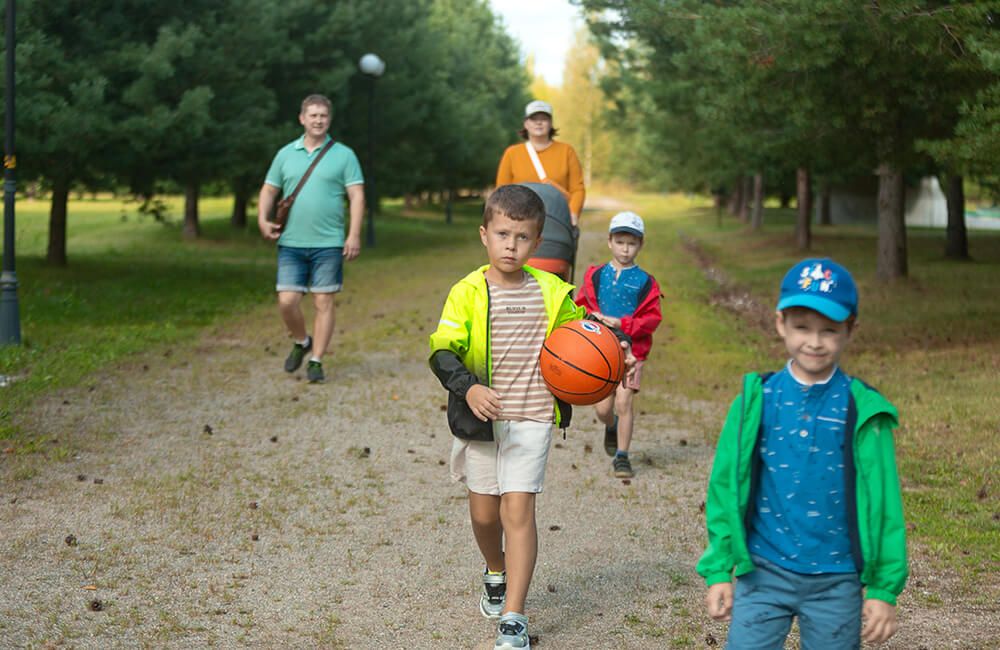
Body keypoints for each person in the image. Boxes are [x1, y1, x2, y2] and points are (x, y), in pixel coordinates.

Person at [428, 185, 632, 650]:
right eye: (502, 234)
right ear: (484, 234)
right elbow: (441, 350)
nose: (510, 246)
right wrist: (469, 388)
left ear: (537, 244)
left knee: (517, 510)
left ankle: (514, 616)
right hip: (481, 419)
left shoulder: (554, 292)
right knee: (484, 514)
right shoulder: (467, 292)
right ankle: (495, 570)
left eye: (522, 238)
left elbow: (586, 340)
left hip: (533, 418)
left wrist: (619, 355)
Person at [697, 259, 907, 649]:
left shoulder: (864, 410)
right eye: (802, 328)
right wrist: (719, 570)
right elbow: (724, 488)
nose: (814, 341)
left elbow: (885, 505)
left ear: (850, 330)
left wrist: (882, 588)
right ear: (780, 324)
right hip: (763, 571)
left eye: (829, 330)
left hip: (837, 580)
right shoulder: (755, 401)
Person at [257, 94, 365, 384]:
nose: (318, 120)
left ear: (329, 120)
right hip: (291, 242)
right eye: (313, 115)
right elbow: (269, 190)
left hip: (329, 242)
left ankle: (316, 361)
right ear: (302, 118)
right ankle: (301, 339)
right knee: (287, 301)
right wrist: (262, 219)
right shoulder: (285, 154)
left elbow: (356, 196)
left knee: (323, 302)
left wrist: (353, 234)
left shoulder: (344, 154)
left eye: (323, 116)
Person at [574, 211, 662, 479]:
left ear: (640, 245)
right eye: (620, 241)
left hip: (632, 350)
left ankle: (622, 457)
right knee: (602, 408)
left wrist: (623, 323)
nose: (625, 248)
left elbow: (652, 319)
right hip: (601, 350)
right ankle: (610, 426)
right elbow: (580, 306)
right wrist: (592, 317)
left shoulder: (646, 282)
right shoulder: (596, 276)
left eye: (632, 243)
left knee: (624, 402)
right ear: (610, 241)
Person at [495, 100, 585, 280]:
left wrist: (572, 214)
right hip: (520, 225)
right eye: (533, 118)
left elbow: (578, 189)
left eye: (543, 118)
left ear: (551, 123)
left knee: (554, 274)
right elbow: (501, 192)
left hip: (556, 224)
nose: (538, 122)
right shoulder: (513, 154)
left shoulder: (566, 151)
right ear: (526, 123)